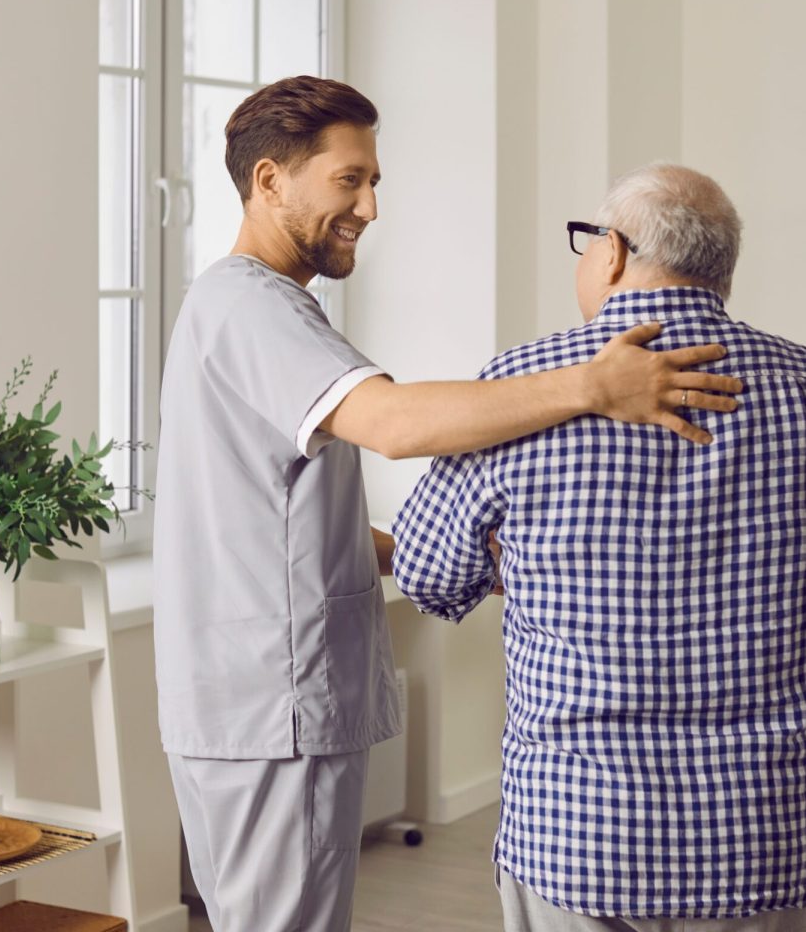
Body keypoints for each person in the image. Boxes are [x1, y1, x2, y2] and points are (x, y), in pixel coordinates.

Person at [152, 79, 740, 932]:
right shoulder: (248, 306)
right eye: (349, 181)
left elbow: (267, 514)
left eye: (374, 182)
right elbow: (392, 425)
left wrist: (435, 553)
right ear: (271, 180)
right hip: (269, 706)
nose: (370, 206)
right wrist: (593, 384)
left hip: (255, 700)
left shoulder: (259, 308)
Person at [392, 162, 806, 932]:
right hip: (766, 832)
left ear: (611, 252)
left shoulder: (523, 386)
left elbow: (426, 575)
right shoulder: (799, 385)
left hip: (580, 834)